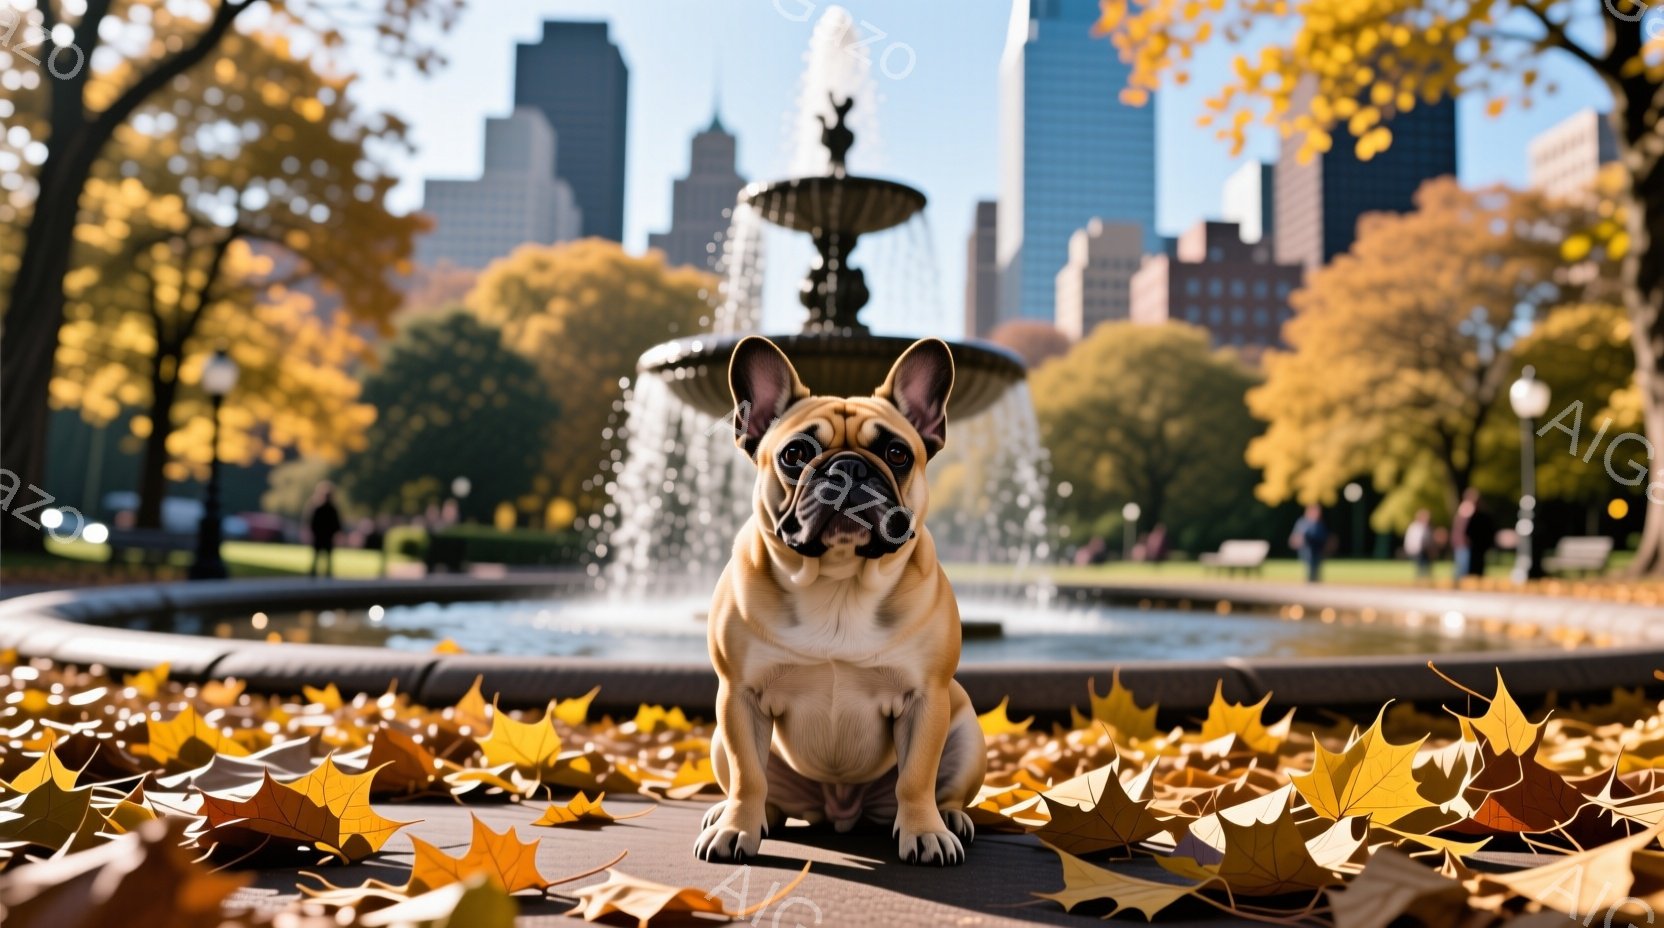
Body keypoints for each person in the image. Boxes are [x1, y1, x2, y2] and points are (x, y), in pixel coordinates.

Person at [1451, 488, 1494, 580]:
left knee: (1475, 571)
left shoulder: (1479, 513)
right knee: (1464, 571)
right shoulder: (1465, 511)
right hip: (1464, 546)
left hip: (1476, 547)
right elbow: (1462, 531)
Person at [307, 483, 342, 579]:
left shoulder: (320, 509)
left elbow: (312, 524)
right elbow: (337, 525)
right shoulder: (331, 509)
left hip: (321, 537)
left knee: (319, 558)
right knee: (324, 558)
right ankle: (324, 575)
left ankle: (316, 574)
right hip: (325, 537)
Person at [1290, 504, 1329, 583]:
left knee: (1317, 567)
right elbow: (1298, 535)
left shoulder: (1319, 523)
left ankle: (1315, 580)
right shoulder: (1303, 523)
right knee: (1309, 566)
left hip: (1318, 549)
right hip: (1307, 549)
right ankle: (1309, 581)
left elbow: (1324, 536)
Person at [1404, 509, 1434, 580]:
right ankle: (1420, 578)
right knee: (1420, 566)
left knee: (1427, 566)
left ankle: (1426, 578)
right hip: (1417, 550)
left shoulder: (1426, 527)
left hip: (1425, 550)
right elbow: (1412, 540)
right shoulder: (1415, 527)